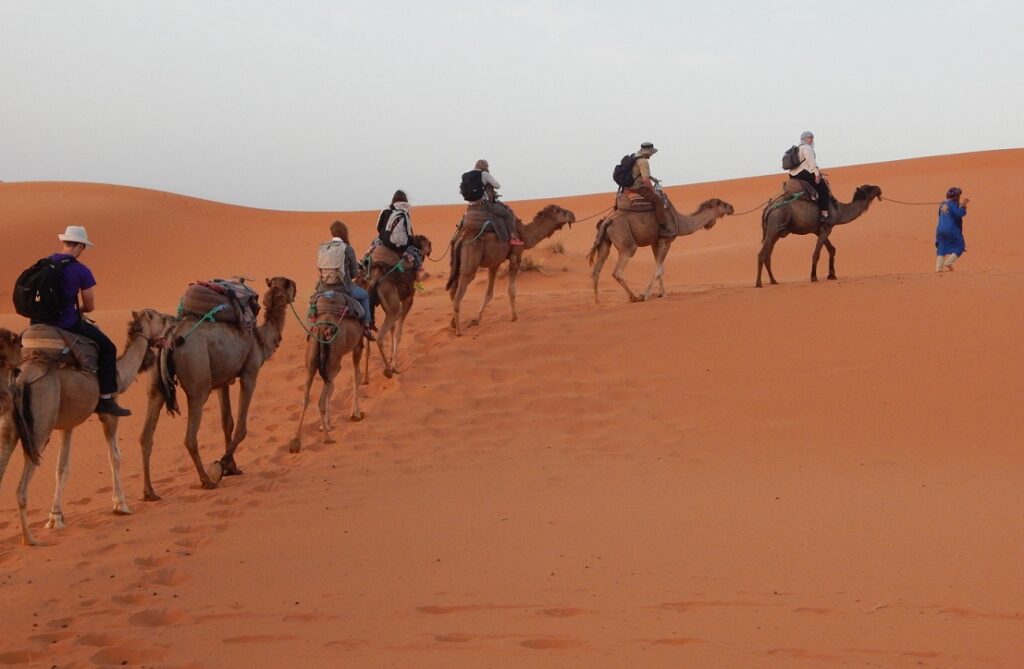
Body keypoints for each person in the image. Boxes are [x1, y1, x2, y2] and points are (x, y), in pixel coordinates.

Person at [34, 226, 131, 416]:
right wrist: (81, 310)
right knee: (108, 348)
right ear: (80, 246)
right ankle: (106, 399)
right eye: (83, 247)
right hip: (66, 323)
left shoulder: (43, 264)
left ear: (64, 242)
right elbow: (89, 304)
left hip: (38, 322)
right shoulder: (80, 270)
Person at [317, 220, 374, 339]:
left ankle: (311, 329)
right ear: (344, 233)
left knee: (313, 305)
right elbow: (354, 274)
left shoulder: (323, 248)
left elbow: (319, 270)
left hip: (323, 288)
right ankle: (367, 327)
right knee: (364, 296)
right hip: (344, 288)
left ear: (332, 233)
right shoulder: (347, 249)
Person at [465, 159, 524, 246]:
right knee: (507, 214)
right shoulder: (484, 174)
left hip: (470, 207)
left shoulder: (466, 176)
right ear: (485, 167)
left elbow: (462, 191)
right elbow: (497, 185)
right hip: (484, 205)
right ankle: (513, 238)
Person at [625, 142, 670, 235]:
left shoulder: (634, 156)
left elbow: (639, 173)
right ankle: (663, 227)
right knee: (658, 201)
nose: (651, 155)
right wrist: (653, 191)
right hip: (637, 187)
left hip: (626, 187)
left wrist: (652, 178)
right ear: (648, 152)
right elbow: (645, 180)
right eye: (651, 153)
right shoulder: (643, 161)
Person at [788, 131, 832, 221]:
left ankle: (812, 197)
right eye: (810, 137)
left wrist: (818, 172)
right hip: (803, 173)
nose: (812, 140)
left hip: (792, 175)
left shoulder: (798, 148)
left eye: (812, 137)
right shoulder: (807, 148)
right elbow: (811, 162)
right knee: (823, 187)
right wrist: (817, 174)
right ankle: (824, 212)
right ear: (804, 139)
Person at [935, 187, 970, 272]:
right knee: (960, 246)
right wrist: (963, 207)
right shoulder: (953, 204)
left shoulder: (943, 204)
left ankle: (939, 268)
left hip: (940, 229)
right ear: (956, 197)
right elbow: (959, 214)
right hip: (951, 229)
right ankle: (948, 263)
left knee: (941, 247)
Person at [376, 190, 414, 256]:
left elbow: (378, 227)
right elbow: (410, 233)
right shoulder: (405, 212)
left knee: (372, 248)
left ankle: (362, 261)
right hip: (403, 248)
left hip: (385, 243)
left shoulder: (386, 210)